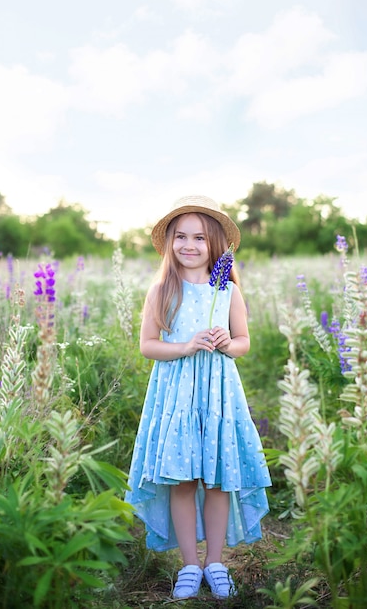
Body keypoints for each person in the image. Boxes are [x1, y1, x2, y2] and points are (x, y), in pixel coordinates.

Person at [125, 195, 271, 600]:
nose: (189, 246)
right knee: (183, 479)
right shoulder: (161, 291)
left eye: (200, 238)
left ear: (216, 246)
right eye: (181, 237)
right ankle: (190, 563)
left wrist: (228, 342)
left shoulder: (227, 294)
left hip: (218, 395)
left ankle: (216, 562)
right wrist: (186, 346)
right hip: (176, 397)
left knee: (220, 478)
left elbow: (243, 342)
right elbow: (148, 346)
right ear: (170, 242)